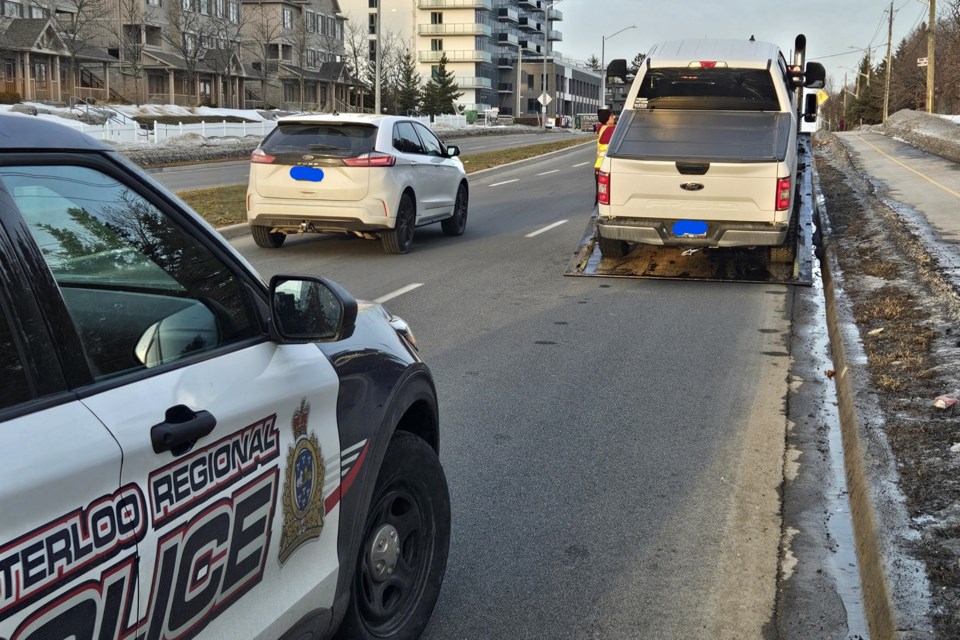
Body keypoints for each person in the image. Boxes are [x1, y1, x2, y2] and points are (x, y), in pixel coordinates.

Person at [594, 108, 616, 205]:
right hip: (604, 167)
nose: (614, 117)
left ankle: (597, 212)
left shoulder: (603, 128)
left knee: (599, 196)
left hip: (599, 167)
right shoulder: (609, 130)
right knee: (603, 198)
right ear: (607, 119)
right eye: (612, 116)